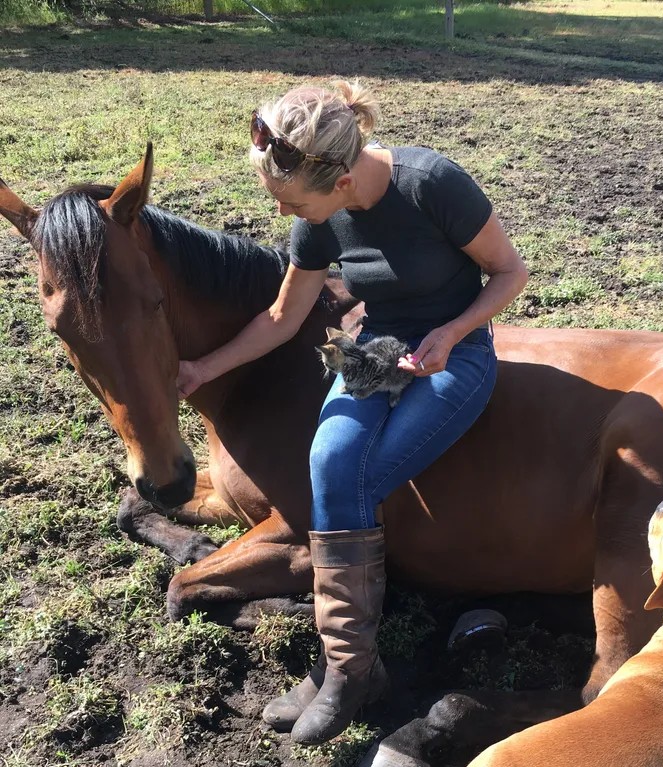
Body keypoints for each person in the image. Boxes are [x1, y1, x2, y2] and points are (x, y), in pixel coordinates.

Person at [176, 80, 528, 745]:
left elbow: (510, 272)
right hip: (375, 347)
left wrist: (452, 332)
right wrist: (201, 369)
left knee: (360, 478)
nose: (281, 210)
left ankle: (342, 670)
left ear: (340, 182)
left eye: (289, 200)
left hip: (456, 351)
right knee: (330, 460)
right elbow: (283, 315)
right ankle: (348, 666)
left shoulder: (432, 184)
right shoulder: (315, 216)